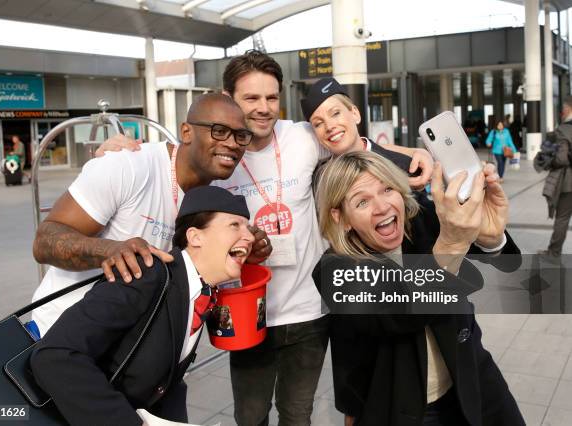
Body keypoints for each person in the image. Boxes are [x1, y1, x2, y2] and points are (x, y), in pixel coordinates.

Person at [98, 51, 435, 426]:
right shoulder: (219, 155)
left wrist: (410, 153)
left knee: (297, 414)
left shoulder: (302, 137)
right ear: (229, 98)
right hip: (248, 311)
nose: (263, 108)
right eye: (251, 98)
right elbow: (173, 157)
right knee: (251, 415)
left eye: (271, 98)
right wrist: (120, 152)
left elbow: (352, 144)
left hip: (310, 310)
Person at [30, 93, 271, 338]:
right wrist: (110, 250)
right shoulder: (129, 166)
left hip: (129, 346)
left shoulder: (217, 195)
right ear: (186, 132)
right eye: (219, 131)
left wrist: (239, 250)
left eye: (241, 136)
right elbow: (44, 241)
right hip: (60, 333)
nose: (232, 143)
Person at [313, 151, 524, 426]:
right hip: (406, 409)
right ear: (341, 217)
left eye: (387, 189)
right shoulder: (334, 270)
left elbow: (509, 265)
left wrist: (493, 238)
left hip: (475, 383)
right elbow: (399, 313)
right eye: (362, 201)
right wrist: (450, 246)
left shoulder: (425, 221)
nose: (382, 207)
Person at [31, 185, 255, 425]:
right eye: (235, 225)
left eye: (248, 228)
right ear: (195, 237)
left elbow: (168, 379)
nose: (250, 236)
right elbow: (55, 354)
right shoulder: (147, 275)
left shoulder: (200, 290)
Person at [539, 96, 572, 258]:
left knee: (562, 218)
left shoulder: (564, 129)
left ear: (567, 109)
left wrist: (549, 161)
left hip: (568, 183)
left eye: (563, 110)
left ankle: (553, 253)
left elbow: (561, 158)